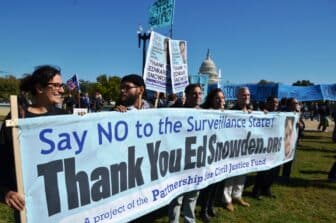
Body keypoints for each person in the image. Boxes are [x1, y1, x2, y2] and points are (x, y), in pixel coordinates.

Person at [0, 65, 67, 222]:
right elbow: (2, 159)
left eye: (61, 85)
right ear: (39, 88)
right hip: (31, 206)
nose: (62, 90)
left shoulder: (64, 117)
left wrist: (120, 113)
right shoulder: (18, 119)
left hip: (63, 200)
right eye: (56, 85)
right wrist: (5, 192)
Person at [168, 84, 202, 223]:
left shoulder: (206, 113)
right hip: (178, 161)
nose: (197, 96)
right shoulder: (175, 112)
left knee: (193, 195)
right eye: (194, 93)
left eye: (200, 93)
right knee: (177, 197)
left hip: (196, 160)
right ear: (186, 95)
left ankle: (190, 220)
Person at [198, 88, 225, 223]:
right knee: (208, 184)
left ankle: (210, 206)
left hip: (220, 154)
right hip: (207, 154)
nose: (221, 100)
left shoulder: (227, 113)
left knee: (216, 182)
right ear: (211, 99)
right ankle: (203, 210)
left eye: (222, 98)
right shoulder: (204, 112)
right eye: (217, 98)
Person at [223, 87, 251, 212]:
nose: (246, 97)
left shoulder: (252, 112)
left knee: (242, 173)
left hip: (245, 148)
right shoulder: (231, 111)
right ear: (238, 97)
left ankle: (237, 196)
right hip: (232, 148)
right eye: (244, 95)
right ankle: (227, 200)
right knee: (230, 175)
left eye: (248, 95)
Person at [252, 96, 279, 199]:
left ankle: (267, 188)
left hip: (275, 146)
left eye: (276, 103)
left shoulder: (279, 115)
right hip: (263, 147)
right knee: (263, 170)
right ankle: (257, 191)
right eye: (272, 102)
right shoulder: (261, 113)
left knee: (274, 171)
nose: (275, 105)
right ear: (267, 103)